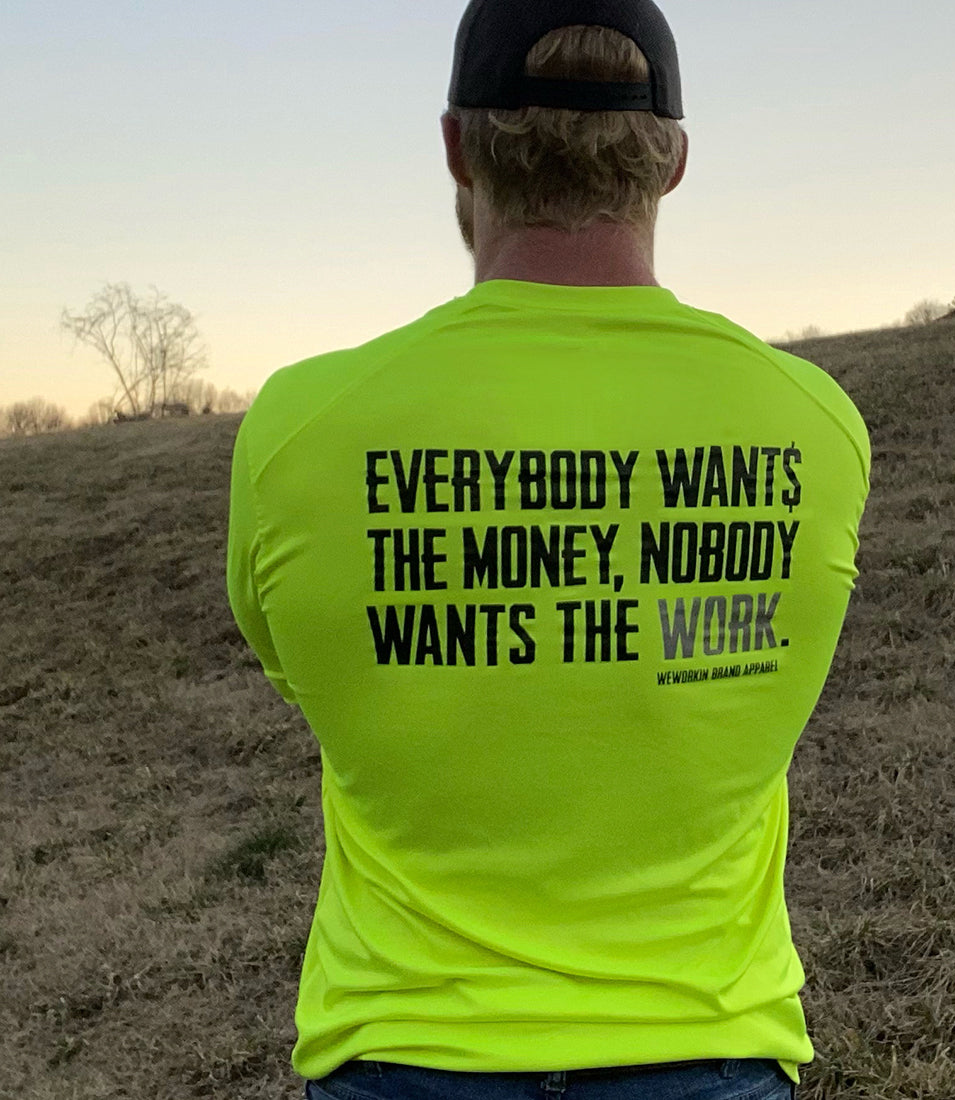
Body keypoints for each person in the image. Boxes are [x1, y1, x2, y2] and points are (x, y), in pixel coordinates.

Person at [226, 1, 871, 1098]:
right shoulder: (812, 424)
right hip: (706, 1045)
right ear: (670, 161)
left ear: (452, 148)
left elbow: (308, 677)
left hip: (402, 1051)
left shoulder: (300, 425)